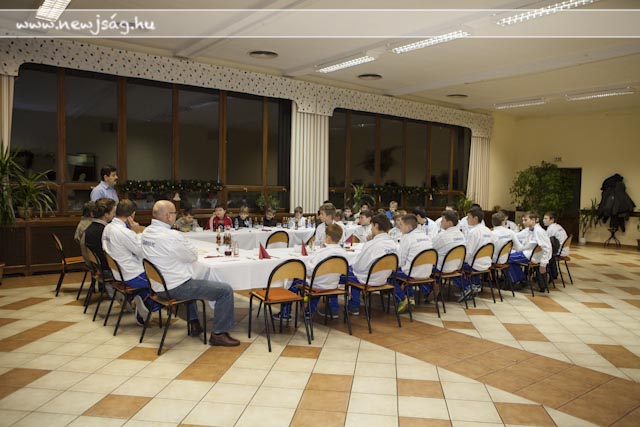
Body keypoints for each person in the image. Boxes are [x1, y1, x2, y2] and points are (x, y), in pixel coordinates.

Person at [142, 200, 240, 346]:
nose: (175, 216)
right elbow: (192, 255)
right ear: (168, 216)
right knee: (225, 290)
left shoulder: (146, 232)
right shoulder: (171, 236)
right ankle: (219, 334)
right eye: (175, 213)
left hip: (157, 286)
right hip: (174, 287)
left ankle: (194, 323)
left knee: (192, 277)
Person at [274, 224, 347, 320]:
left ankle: (285, 313)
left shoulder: (321, 253)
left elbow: (309, 271)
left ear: (328, 237)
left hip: (317, 284)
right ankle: (316, 310)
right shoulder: (343, 253)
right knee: (319, 280)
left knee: (293, 280)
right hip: (333, 284)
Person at [102, 199, 155, 325]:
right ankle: (146, 305)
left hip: (118, 273)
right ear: (132, 215)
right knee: (164, 282)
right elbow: (141, 251)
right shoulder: (124, 232)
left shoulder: (108, 227)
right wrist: (137, 232)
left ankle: (141, 298)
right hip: (132, 275)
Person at [345, 214, 398, 315]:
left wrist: (351, 266)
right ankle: (353, 304)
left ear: (376, 226)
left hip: (368, 279)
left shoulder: (371, 244)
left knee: (345, 272)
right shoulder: (392, 243)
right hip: (384, 278)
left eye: (371, 226)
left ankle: (352, 305)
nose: (371, 228)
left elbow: (358, 267)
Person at [393, 214, 434, 312]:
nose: (399, 227)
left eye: (401, 225)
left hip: (411, 273)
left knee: (388, 274)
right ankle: (425, 291)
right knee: (407, 269)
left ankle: (402, 298)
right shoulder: (425, 236)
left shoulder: (406, 238)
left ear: (408, 227)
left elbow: (400, 261)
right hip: (427, 272)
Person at [508, 211, 552, 290]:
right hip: (528, 253)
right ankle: (521, 279)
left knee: (506, 258)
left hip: (532, 255)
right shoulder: (529, 229)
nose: (523, 222)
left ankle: (518, 280)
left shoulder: (539, 231)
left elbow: (547, 248)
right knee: (510, 258)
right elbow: (517, 235)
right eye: (523, 220)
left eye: (525, 220)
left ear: (533, 220)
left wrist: (543, 263)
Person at [462, 206, 494, 297]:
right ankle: (476, 284)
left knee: (454, 267)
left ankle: (467, 287)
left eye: (468, 217)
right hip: (487, 263)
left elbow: (469, 252)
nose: (467, 219)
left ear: (475, 218)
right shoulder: (488, 230)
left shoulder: (473, 232)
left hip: (474, 265)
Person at [84, 198, 116, 277]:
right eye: (113, 212)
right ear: (106, 214)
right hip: (107, 269)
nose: (114, 215)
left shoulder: (90, 227)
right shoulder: (104, 231)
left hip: (98, 267)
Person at [432, 210, 466, 275]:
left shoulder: (442, 236)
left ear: (449, 223)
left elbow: (430, 248)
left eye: (443, 220)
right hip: (456, 267)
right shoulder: (462, 235)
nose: (440, 222)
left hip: (441, 268)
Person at [543, 211, 569, 279]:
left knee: (541, 254)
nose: (543, 220)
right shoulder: (558, 226)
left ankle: (542, 275)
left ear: (552, 220)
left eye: (546, 218)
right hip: (564, 250)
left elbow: (545, 241)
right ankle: (552, 273)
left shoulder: (551, 229)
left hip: (558, 251)